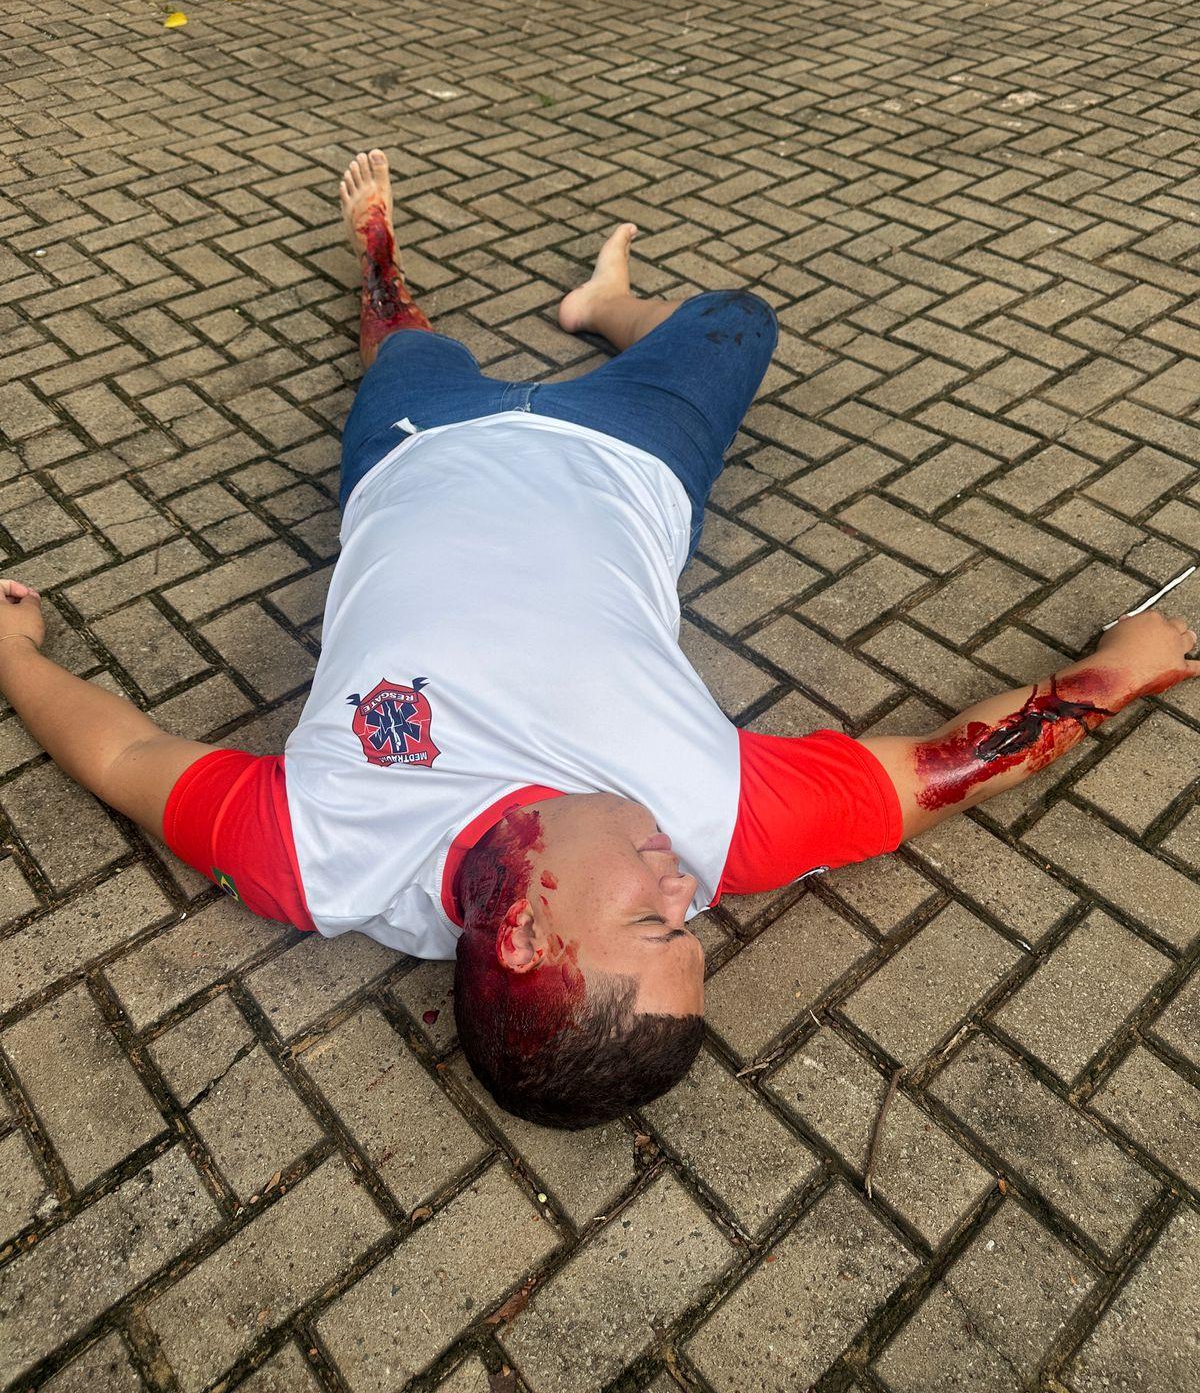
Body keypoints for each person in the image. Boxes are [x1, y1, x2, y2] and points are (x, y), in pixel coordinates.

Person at [2, 150, 1196, 1131]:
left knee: (405, 341)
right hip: (632, 456)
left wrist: (13, 659)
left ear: (526, 931)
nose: (693, 890)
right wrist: (1122, 672)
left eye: (656, 920)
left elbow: (124, 761)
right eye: (693, 920)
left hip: (422, 442)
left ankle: (377, 250)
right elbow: (950, 768)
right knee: (739, 321)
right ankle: (608, 311)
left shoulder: (320, 852)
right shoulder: (715, 820)